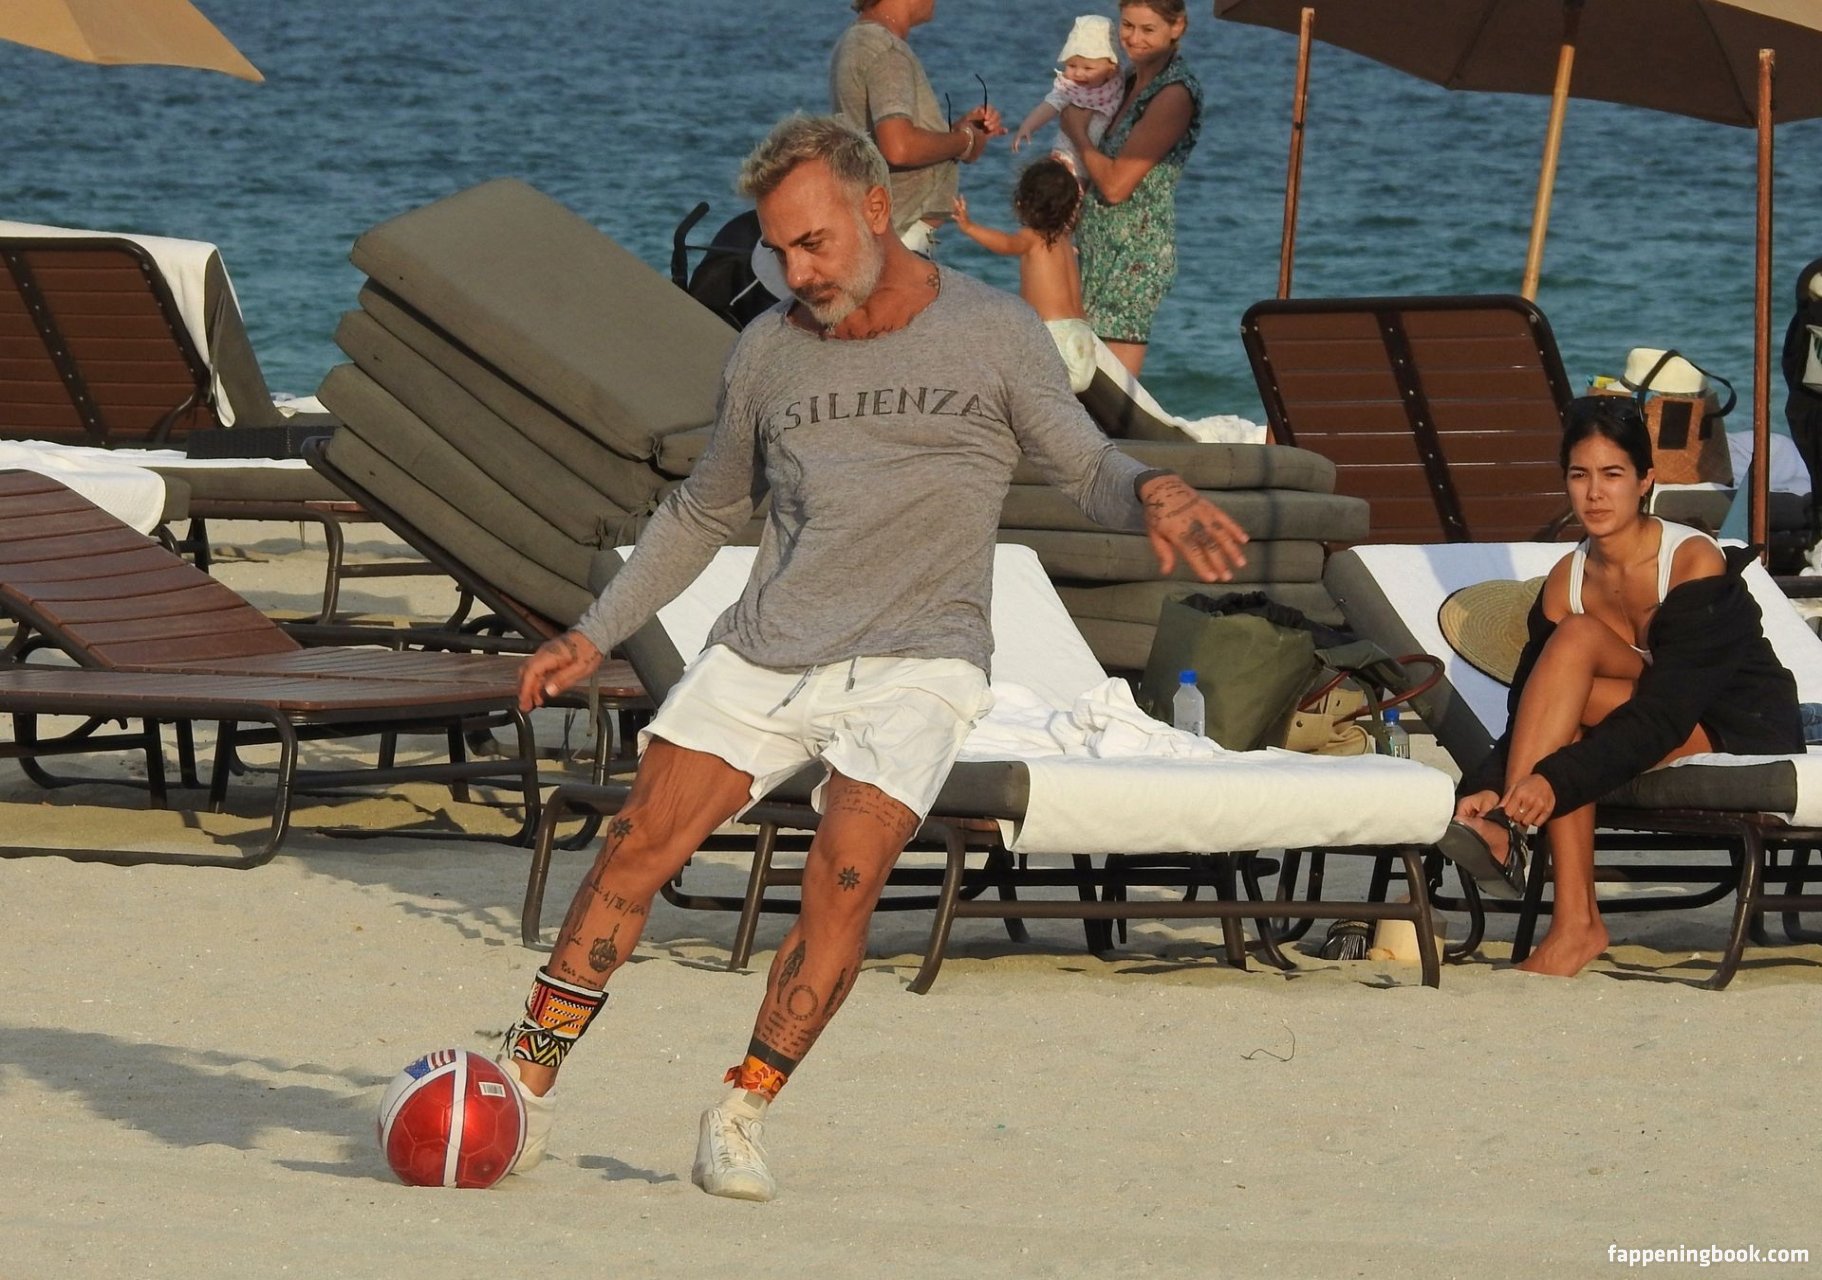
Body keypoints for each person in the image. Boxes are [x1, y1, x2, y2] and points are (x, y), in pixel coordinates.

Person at [494, 113, 1249, 1202]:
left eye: (816, 243)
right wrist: (591, 631)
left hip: (920, 659)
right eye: (780, 250)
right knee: (634, 849)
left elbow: (1087, 466)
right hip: (769, 648)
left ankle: (742, 1109)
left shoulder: (993, 333)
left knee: (843, 876)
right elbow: (701, 511)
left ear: (878, 209)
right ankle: (523, 1083)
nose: (798, 272)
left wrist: (1155, 489)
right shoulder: (766, 352)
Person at [1443, 395, 1803, 977]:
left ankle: (1520, 846)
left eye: (1612, 475)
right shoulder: (1566, 581)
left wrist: (1552, 780)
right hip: (1646, 715)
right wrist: (1487, 783)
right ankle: (1564, 908)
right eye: (1579, 475)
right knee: (1575, 639)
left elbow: (1667, 713)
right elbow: (1534, 708)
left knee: (1572, 738)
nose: (1594, 493)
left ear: (1645, 481)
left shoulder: (1691, 561)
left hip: (1732, 721)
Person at [1059, 0, 1199, 379]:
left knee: (1110, 390)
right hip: (1096, 246)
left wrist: (1076, 133)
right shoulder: (1127, 80)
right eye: (1127, 26)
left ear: (1177, 27)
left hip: (1133, 256)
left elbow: (1117, 185)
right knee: (1077, 381)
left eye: (1148, 29)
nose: (1134, 39)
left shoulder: (1174, 93)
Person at [830, 0, 1005, 254]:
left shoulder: (856, 40)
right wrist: (966, 139)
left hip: (880, 232)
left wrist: (957, 132)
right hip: (901, 237)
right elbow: (898, 147)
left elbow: (885, 138)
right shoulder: (888, 51)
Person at [1010, 15, 1124, 177]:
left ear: (1111, 70)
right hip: (1067, 156)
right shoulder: (1070, 88)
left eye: (1088, 68)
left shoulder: (1117, 87)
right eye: (1071, 65)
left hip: (1095, 160)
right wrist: (1028, 126)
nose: (1078, 73)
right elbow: (1049, 105)